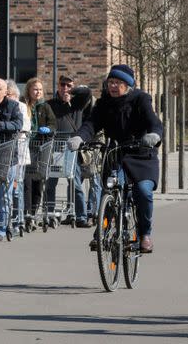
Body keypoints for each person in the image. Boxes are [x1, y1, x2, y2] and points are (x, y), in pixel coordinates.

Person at [68, 65, 162, 254]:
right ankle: (101, 231)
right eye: (110, 82)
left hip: (141, 153)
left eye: (118, 83)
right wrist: (80, 137)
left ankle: (145, 234)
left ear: (128, 85)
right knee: (109, 189)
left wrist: (154, 135)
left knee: (143, 191)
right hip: (116, 154)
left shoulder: (141, 99)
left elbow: (154, 122)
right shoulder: (104, 103)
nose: (113, 86)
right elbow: (91, 124)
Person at [47, 75, 94, 227]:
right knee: (51, 183)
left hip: (72, 148)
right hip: (55, 148)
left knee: (75, 183)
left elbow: (87, 93)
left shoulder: (77, 103)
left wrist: (72, 95)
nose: (65, 88)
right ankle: (49, 213)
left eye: (68, 85)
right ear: (58, 86)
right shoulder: (51, 104)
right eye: (62, 85)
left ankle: (81, 216)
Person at [0, 78, 24, 240]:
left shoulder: (13, 105)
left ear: (5, 91)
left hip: (7, 155)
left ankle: (1, 227)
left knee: (4, 194)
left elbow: (17, 124)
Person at [23, 77, 57, 223]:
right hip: (27, 147)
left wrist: (48, 129)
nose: (38, 92)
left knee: (38, 181)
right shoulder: (24, 105)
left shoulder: (45, 106)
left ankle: (33, 211)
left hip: (41, 148)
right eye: (35, 89)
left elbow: (53, 124)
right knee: (27, 181)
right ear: (29, 90)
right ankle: (26, 212)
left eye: (40, 89)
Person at [6, 80, 31, 233]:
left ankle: (18, 219)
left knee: (16, 188)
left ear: (15, 95)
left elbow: (25, 126)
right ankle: (7, 219)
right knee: (7, 189)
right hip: (4, 153)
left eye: (9, 94)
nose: (6, 97)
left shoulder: (20, 107)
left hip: (19, 153)